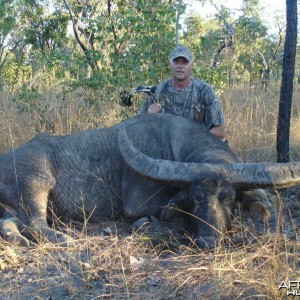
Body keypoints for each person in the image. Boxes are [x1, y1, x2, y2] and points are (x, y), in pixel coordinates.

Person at [139, 46, 225, 140]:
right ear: (170, 64)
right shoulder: (158, 91)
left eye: (184, 62)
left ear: (191, 65)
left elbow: (220, 131)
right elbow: (138, 127)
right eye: (176, 62)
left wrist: (193, 136)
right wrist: (148, 116)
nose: (180, 66)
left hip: (196, 147)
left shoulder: (204, 91)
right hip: (165, 148)